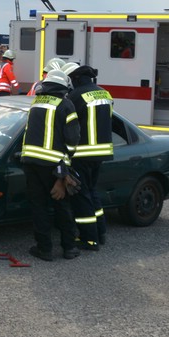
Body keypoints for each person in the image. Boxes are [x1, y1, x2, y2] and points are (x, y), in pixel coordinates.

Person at [21, 69, 80, 261]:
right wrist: (64, 171)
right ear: (64, 87)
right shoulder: (66, 104)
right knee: (62, 205)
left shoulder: (36, 103)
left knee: (39, 207)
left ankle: (44, 249)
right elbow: (72, 141)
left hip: (30, 162)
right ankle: (69, 248)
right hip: (53, 165)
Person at [64, 62, 114, 249]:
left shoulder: (75, 96)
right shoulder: (105, 93)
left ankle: (89, 239)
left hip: (83, 153)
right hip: (102, 152)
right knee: (92, 192)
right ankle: (100, 232)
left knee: (81, 195)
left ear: (76, 78)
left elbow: (70, 126)